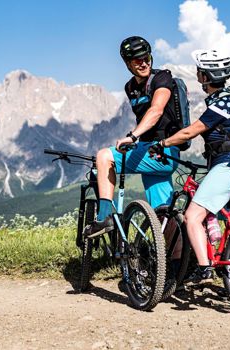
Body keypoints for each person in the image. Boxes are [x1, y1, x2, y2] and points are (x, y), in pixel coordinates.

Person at [149, 49, 230, 296]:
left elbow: (191, 131)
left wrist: (162, 144)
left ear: (206, 75)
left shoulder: (221, 103)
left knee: (192, 216)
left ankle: (204, 269)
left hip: (226, 165)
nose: (197, 75)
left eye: (199, 71)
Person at [84, 36, 181, 238]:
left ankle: (103, 219)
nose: (144, 63)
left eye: (146, 58)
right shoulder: (130, 88)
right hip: (150, 152)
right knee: (162, 215)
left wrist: (133, 136)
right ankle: (177, 264)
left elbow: (156, 110)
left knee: (104, 157)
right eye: (137, 60)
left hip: (165, 150)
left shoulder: (162, 78)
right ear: (128, 64)